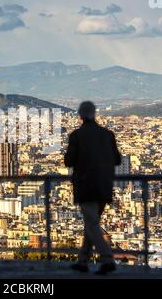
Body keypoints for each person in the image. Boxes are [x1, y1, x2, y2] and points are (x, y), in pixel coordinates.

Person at [64, 101, 122, 275]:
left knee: (92, 224)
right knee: (92, 224)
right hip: (104, 186)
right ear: (94, 114)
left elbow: (68, 161)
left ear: (80, 116)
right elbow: (118, 160)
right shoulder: (107, 134)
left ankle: (107, 259)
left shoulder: (76, 136)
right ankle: (83, 261)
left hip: (85, 185)